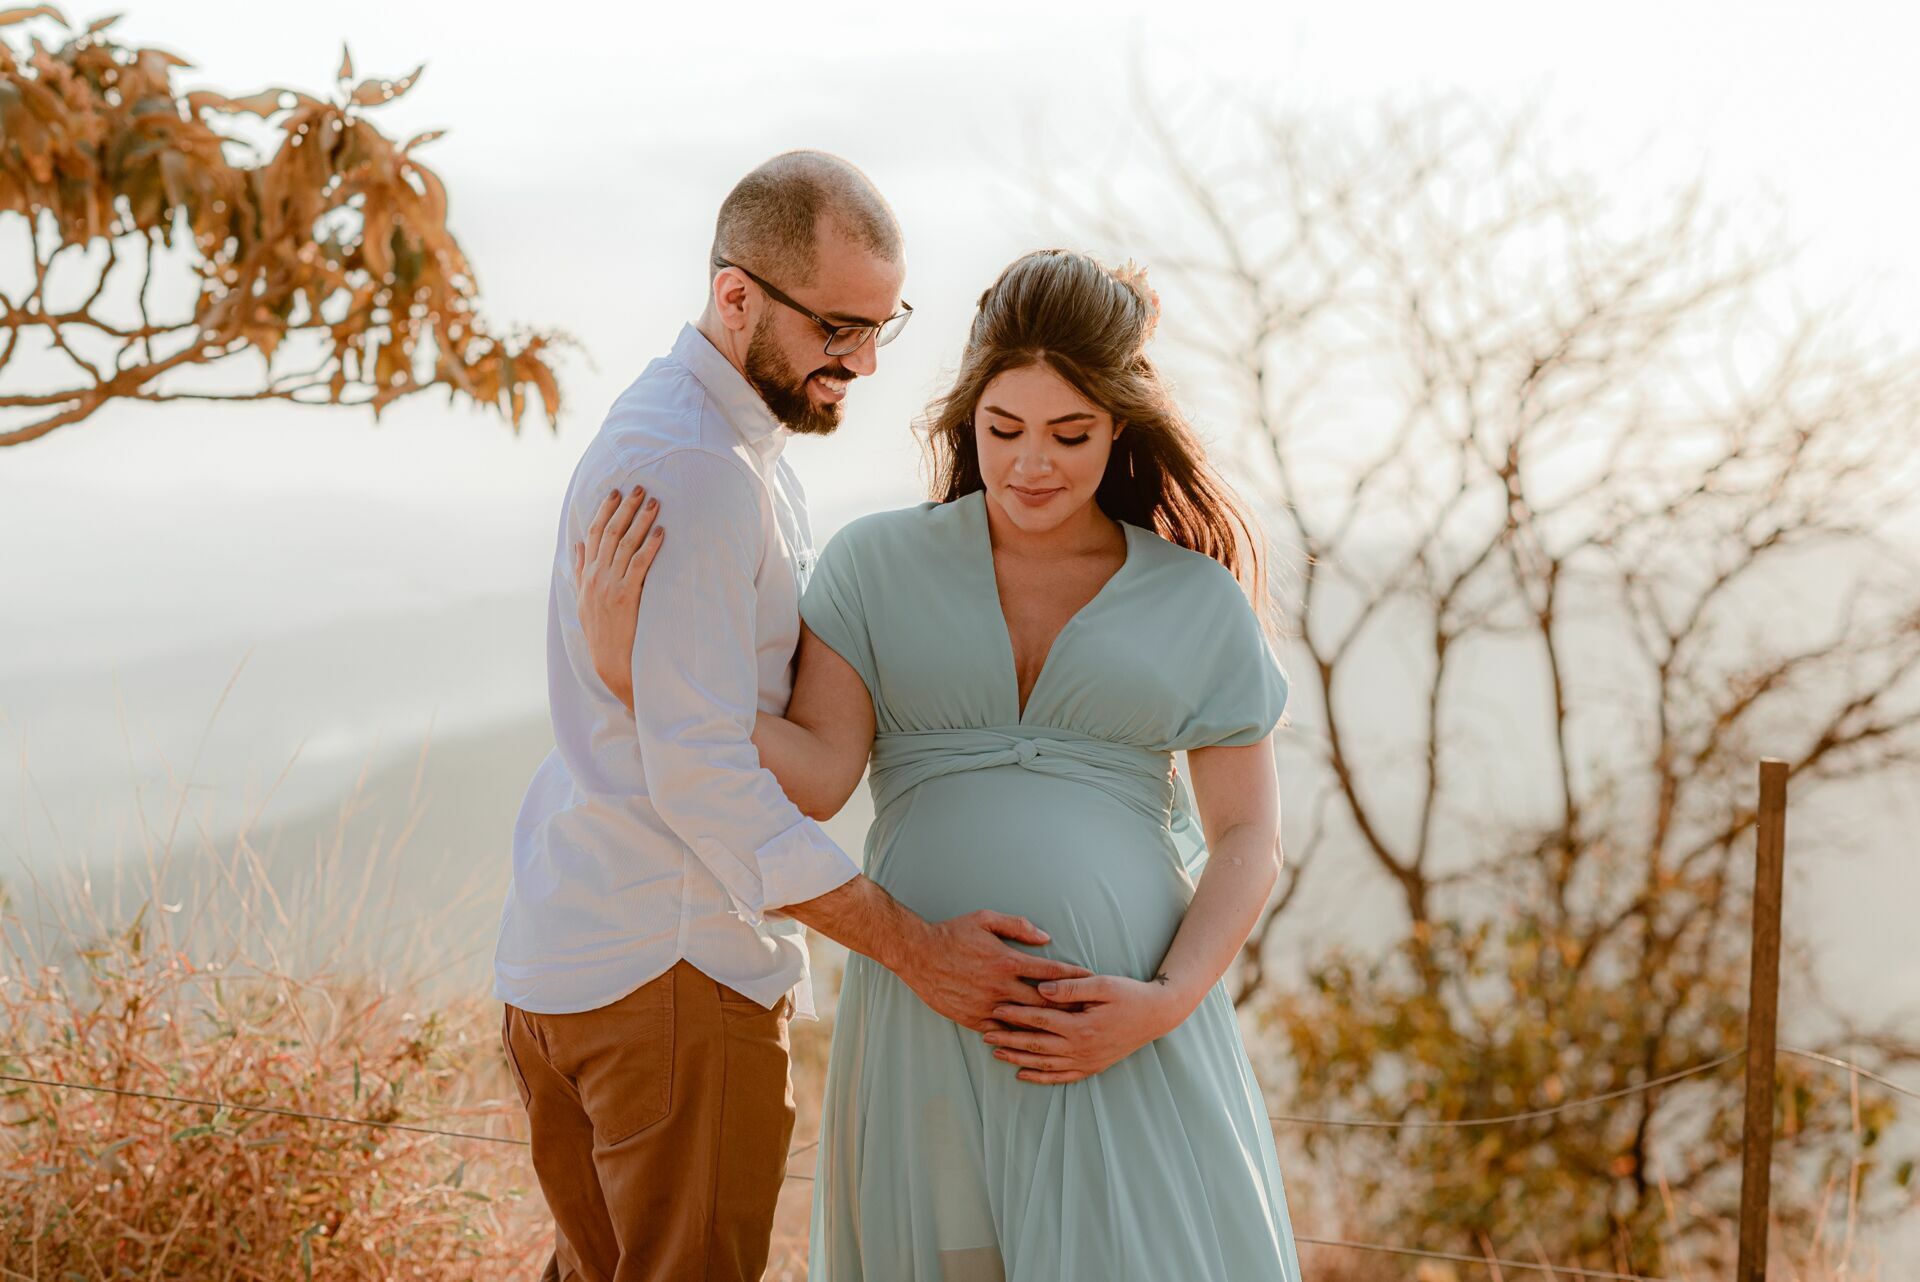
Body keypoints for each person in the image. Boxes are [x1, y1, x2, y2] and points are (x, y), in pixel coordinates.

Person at [579, 248, 1303, 1280]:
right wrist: (643, 679)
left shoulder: (1197, 599)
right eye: (1002, 430)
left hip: (1121, 1024)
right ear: (966, 416)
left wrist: (1162, 1002)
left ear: (1120, 427)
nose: (1031, 465)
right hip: (929, 1019)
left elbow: (1248, 838)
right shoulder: (879, 564)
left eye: (1070, 435)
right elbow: (819, 771)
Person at [492, 153, 1091, 1282]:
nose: (861, 361)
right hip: (668, 978)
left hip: (571, 953)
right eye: (836, 327)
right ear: (737, 298)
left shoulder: (684, 430)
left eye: (882, 326)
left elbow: (758, 749)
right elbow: (707, 778)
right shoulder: (702, 470)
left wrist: (653, 687)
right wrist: (918, 952)